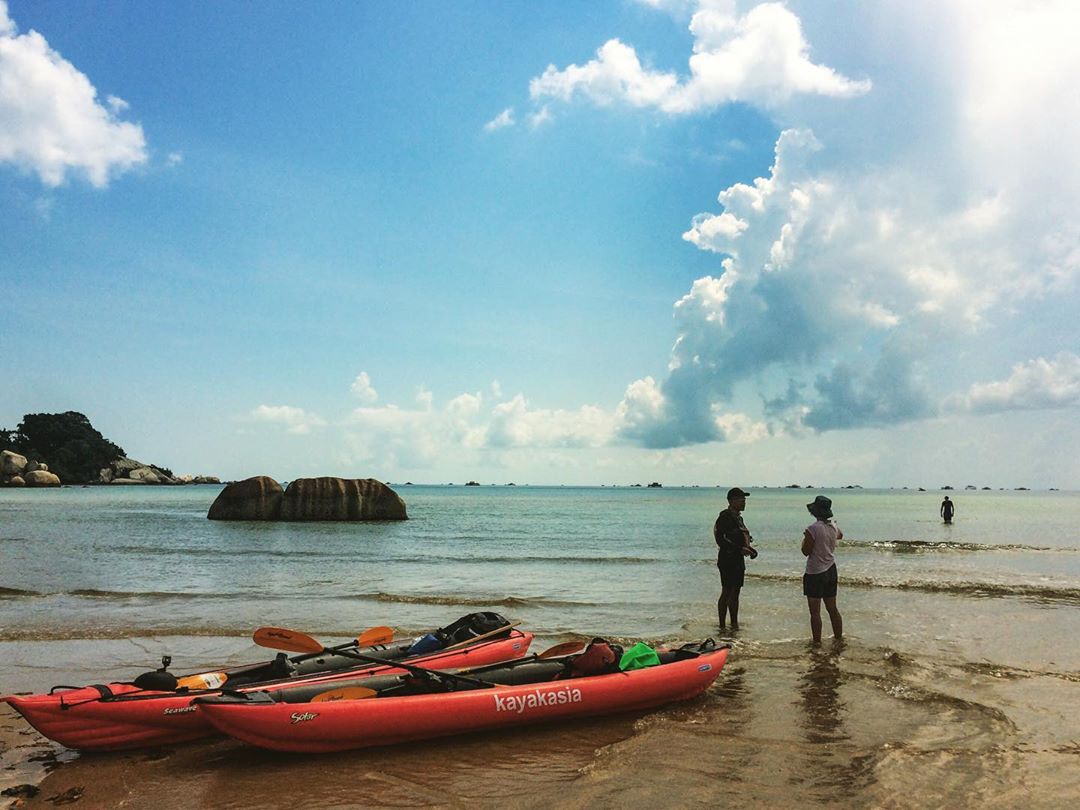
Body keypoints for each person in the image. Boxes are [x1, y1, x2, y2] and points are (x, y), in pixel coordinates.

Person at [801, 495, 843, 644]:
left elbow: (805, 551)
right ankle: (838, 639)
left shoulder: (812, 529)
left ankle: (817, 642)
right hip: (831, 569)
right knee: (832, 609)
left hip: (815, 572)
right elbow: (840, 535)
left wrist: (805, 538)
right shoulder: (833, 526)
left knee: (815, 612)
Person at [714, 487, 756, 631]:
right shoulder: (725, 517)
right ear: (731, 501)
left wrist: (748, 546)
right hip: (727, 559)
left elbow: (737, 537)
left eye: (744, 499)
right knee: (727, 591)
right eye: (740, 499)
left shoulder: (739, 518)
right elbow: (721, 539)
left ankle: (734, 623)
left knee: (736, 592)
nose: (744, 502)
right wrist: (739, 548)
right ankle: (721, 625)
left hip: (738, 559)